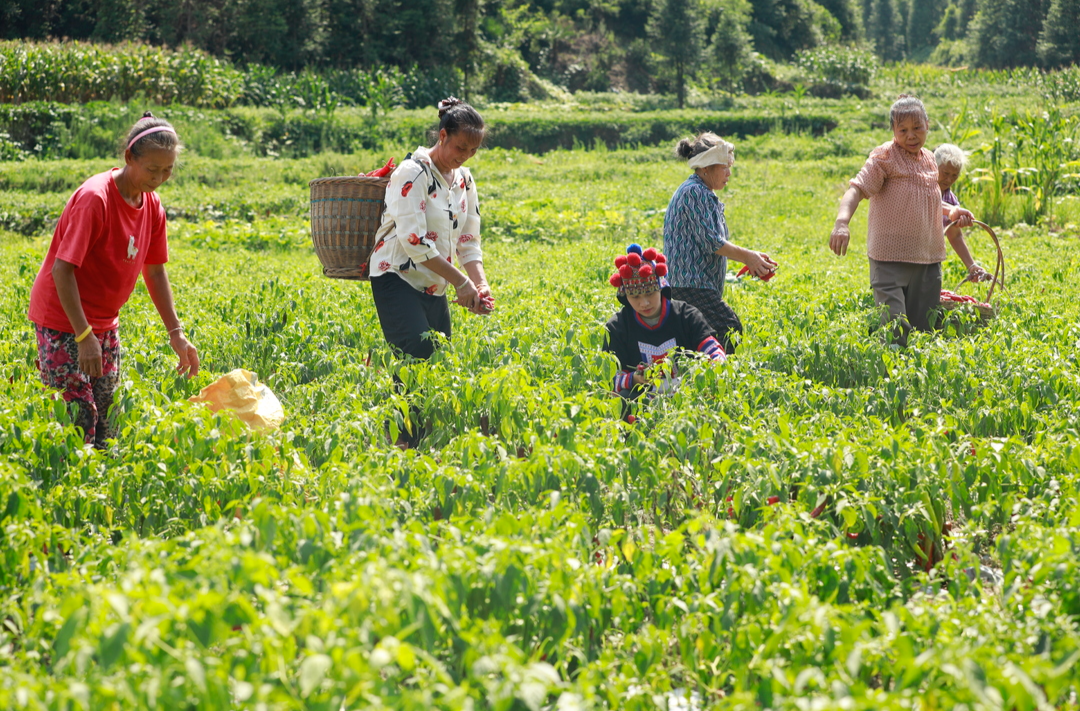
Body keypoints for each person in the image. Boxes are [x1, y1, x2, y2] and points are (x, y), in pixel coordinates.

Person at [27, 112, 199, 448]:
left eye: (168, 170)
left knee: (108, 417)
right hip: (65, 320)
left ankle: (104, 491)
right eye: (152, 169)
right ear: (129, 158)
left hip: (104, 323)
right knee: (76, 417)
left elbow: (155, 270)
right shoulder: (96, 199)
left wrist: (176, 334)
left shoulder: (152, 205)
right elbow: (62, 270)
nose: (161, 178)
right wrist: (83, 334)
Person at [369, 96, 493, 447]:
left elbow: (468, 239)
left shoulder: (464, 180)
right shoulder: (413, 173)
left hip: (435, 285)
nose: (465, 155)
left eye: (473, 150)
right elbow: (415, 243)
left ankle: (422, 444)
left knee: (436, 365)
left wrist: (479, 285)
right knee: (416, 358)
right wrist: (462, 282)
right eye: (460, 146)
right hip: (397, 276)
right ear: (442, 136)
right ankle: (405, 447)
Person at [829, 95, 987, 346]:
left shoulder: (928, 160)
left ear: (928, 125)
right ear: (893, 130)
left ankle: (915, 381)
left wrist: (952, 212)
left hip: (927, 260)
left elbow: (930, 198)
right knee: (894, 326)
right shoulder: (885, 157)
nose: (911, 135)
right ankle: (889, 378)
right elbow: (856, 189)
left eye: (917, 128)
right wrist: (841, 222)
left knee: (924, 330)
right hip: (889, 258)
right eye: (903, 130)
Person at [663, 132, 777, 355]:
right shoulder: (696, 192)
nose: (729, 173)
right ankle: (720, 381)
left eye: (729, 166)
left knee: (697, 340)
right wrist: (748, 256)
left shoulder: (699, 191)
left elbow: (712, 243)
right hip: (690, 284)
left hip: (691, 284)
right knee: (728, 329)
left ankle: (698, 383)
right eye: (724, 167)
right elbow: (712, 242)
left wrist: (751, 257)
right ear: (705, 167)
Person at [604, 244, 726, 410]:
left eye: (650, 293)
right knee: (623, 399)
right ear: (625, 296)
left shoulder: (686, 315)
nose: (644, 303)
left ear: (662, 288)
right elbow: (609, 377)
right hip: (644, 401)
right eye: (635, 296)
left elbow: (710, 347)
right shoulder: (618, 327)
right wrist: (634, 378)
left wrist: (716, 365)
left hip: (688, 396)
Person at [934, 143, 989, 279]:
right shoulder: (919, 188)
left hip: (930, 259)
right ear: (933, 167)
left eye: (954, 176)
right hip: (904, 255)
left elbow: (955, 236)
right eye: (945, 173)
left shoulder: (950, 199)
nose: (949, 180)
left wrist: (972, 265)